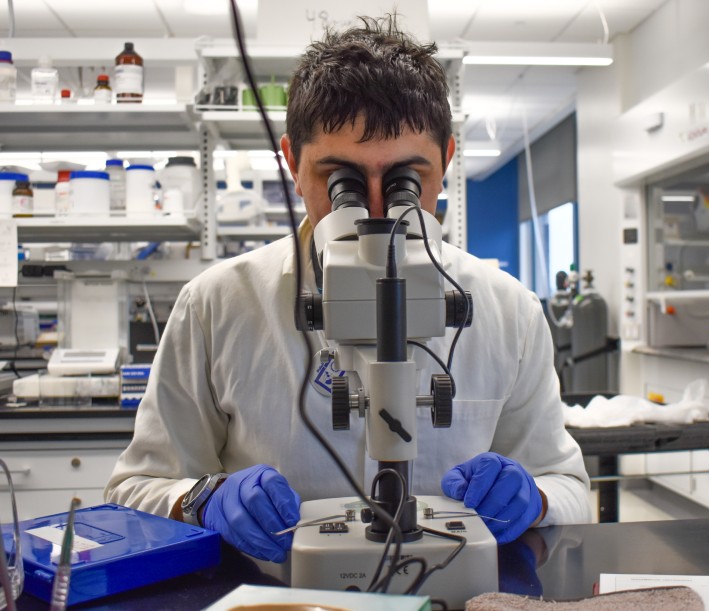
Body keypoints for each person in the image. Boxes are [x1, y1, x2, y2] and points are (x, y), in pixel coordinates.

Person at [105, 14, 591, 564]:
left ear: (447, 159)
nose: (377, 214)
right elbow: (133, 490)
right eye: (343, 183)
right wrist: (202, 500)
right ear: (292, 161)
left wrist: (535, 497)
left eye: (408, 180)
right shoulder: (217, 306)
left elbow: (571, 488)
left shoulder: (510, 311)